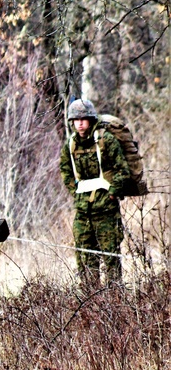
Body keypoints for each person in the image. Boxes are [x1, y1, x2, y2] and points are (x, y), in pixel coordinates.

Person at [59, 98, 130, 287]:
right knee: (85, 258)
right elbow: (65, 171)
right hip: (83, 212)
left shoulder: (106, 140)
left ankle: (116, 302)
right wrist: (76, 193)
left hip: (106, 211)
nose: (80, 123)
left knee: (110, 258)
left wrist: (112, 193)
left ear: (91, 119)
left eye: (84, 119)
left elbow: (122, 170)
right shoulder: (71, 144)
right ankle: (90, 305)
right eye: (76, 119)